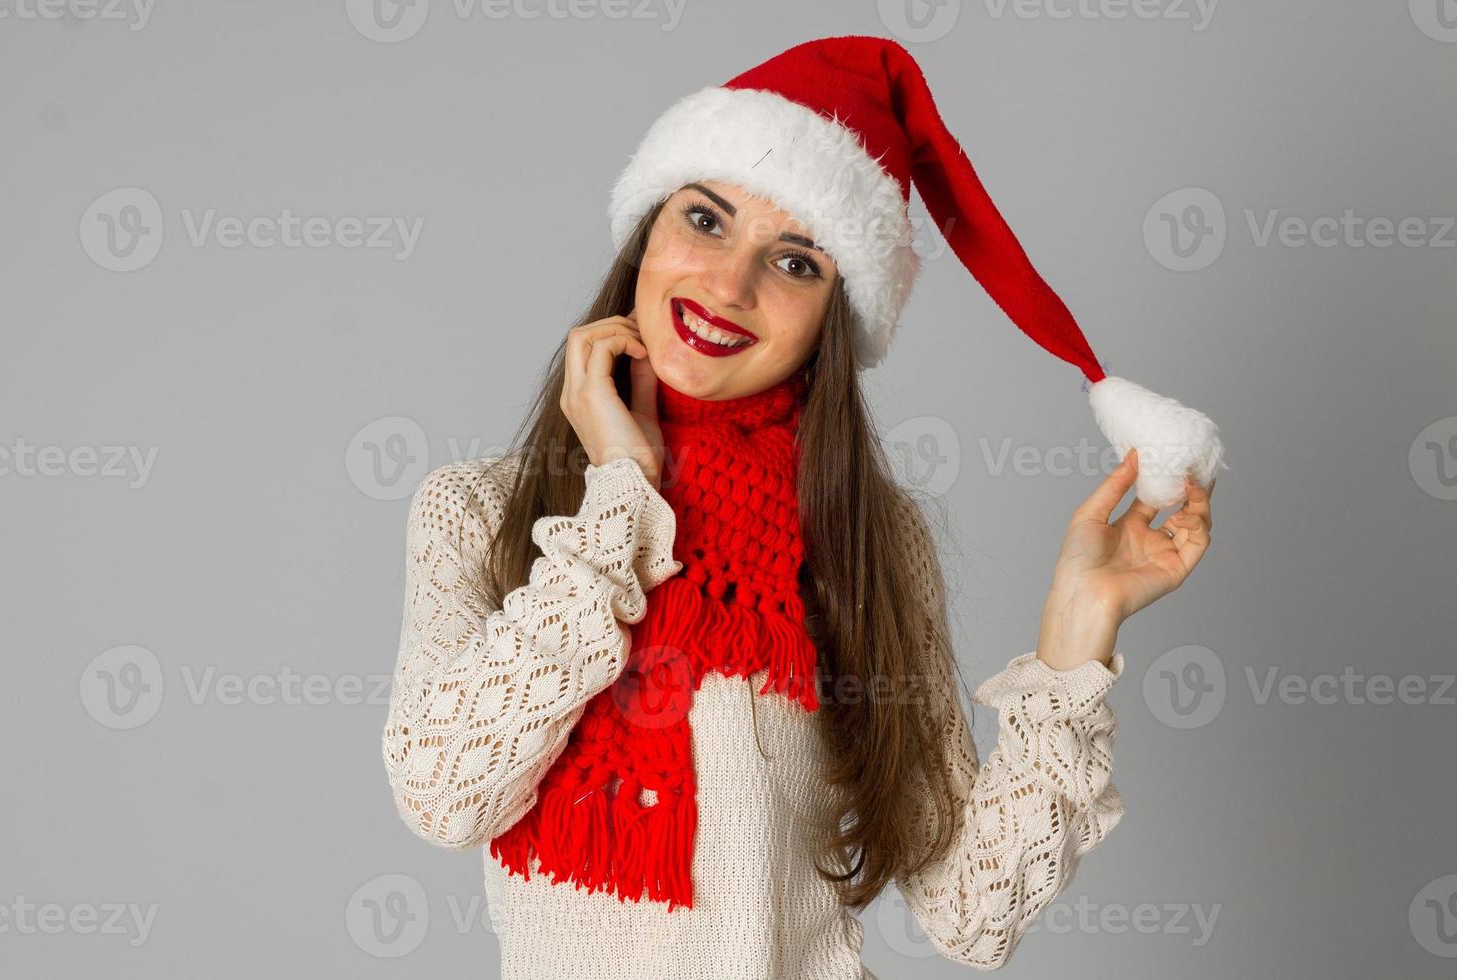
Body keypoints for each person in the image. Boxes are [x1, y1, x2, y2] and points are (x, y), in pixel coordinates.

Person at [381, 35, 1222, 978]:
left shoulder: (865, 539)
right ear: (647, 233)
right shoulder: (484, 512)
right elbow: (446, 792)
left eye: (795, 263)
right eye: (705, 219)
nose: (728, 286)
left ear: (836, 314)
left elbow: (971, 913)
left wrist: (1081, 631)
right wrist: (617, 495)